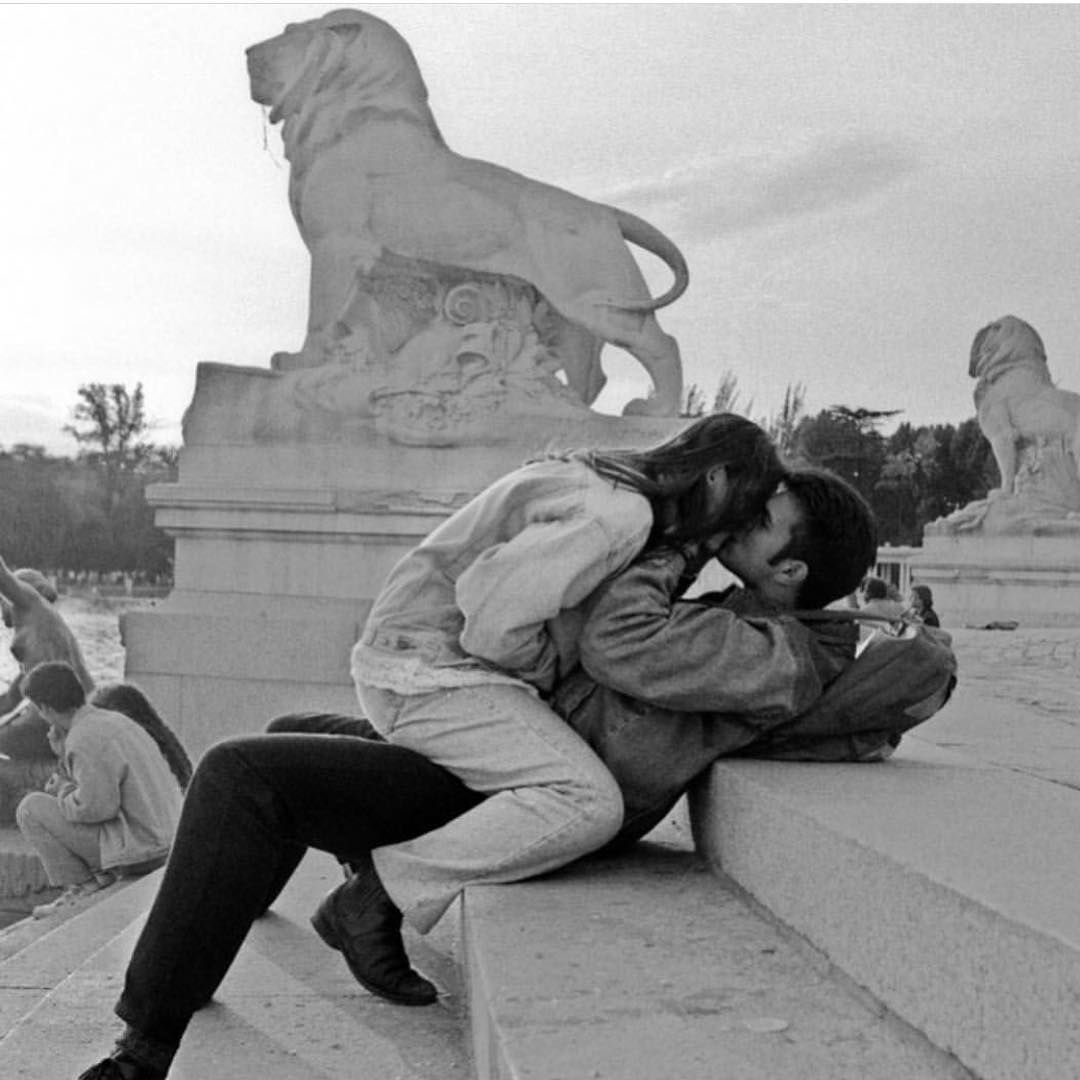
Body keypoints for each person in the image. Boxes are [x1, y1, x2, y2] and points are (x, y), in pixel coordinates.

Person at [74, 468, 884, 1080]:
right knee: (287, 734)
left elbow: (617, 642)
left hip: (514, 788)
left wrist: (680, 541)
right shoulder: (752, 625)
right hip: (508, 747)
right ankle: (210, 918)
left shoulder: (762, 652)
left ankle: (145, 1047)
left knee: (240, 774)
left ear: (791, 572)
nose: (742, 514)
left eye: (761, 519)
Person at [334, 412, 782, 1004]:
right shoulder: (617, 516)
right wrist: (548, 674)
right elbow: (491, 620)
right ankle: (375, 896)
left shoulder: (617, 489)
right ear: (718, 477)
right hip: (426, 670)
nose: (733, 534)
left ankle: (356, 830)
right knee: (587, 801)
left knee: (555, 778)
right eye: (743, 512)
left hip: (422, 655)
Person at [14, 662, 183, 920]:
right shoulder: (115, 721)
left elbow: (95, 809)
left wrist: (62, 789)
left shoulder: (83, 737)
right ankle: (98, 880)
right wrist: (63, 756)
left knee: (30, 808)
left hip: (142, 852)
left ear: (45, 708)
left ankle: (82, 888)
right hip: (165, 841)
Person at [0, 555, 96, 820]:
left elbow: (3, 577)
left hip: (63, 716)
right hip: (64, 717)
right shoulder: (41, 634)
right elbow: (9, 700)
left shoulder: (34, 608)